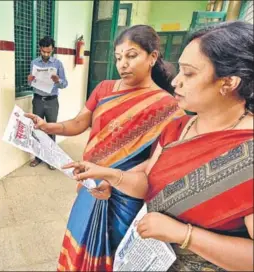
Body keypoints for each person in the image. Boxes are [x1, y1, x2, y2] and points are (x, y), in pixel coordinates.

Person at [64, 21, 253, 271]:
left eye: (189, 73)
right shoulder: (179, 128)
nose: (175, 81)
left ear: (229, 82)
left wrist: (185, 235)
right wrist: (112, 176)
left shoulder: (247, 151)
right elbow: (148, 182)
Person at [26, 25, 185, 271]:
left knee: (112, 254)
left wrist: (112, 178)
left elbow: (158, 162)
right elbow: (79, 123)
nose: (123, 64)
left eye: (132, 56)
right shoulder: (104, 89)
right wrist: (48, 127)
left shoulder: (167, 106)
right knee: (79, 239)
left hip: (124, 194)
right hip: (90, 184)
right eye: (119, 57)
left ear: (153, 57)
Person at [27, 36, 68, 170]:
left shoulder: (57, 64)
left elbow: (65, 84)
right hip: (38, 100)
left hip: (52, 102)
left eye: (48, 52)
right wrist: (29, 80)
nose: (46, 54)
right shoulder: (34, 63)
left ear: (52, 50)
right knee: (38, 130)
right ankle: (38, 157)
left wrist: (58, 81)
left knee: (51, 129)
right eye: (43, 51)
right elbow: (30, 84)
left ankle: (51, 159)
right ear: (40, 49)